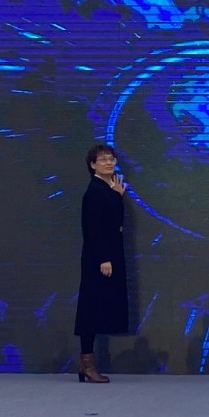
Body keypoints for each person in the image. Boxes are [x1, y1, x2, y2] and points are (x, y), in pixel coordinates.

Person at [74, 143, 129, 383]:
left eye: (111, 159)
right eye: (103, 159)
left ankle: (86, 363)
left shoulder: (107, 189)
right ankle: (87, 364)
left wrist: (117, 196)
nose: (109, 163)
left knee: (98, 307)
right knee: (90, 308)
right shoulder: (94, 191)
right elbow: (93, 228)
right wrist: (103, 258)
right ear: (93, 164)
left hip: (110, 254)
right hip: (99, 258)